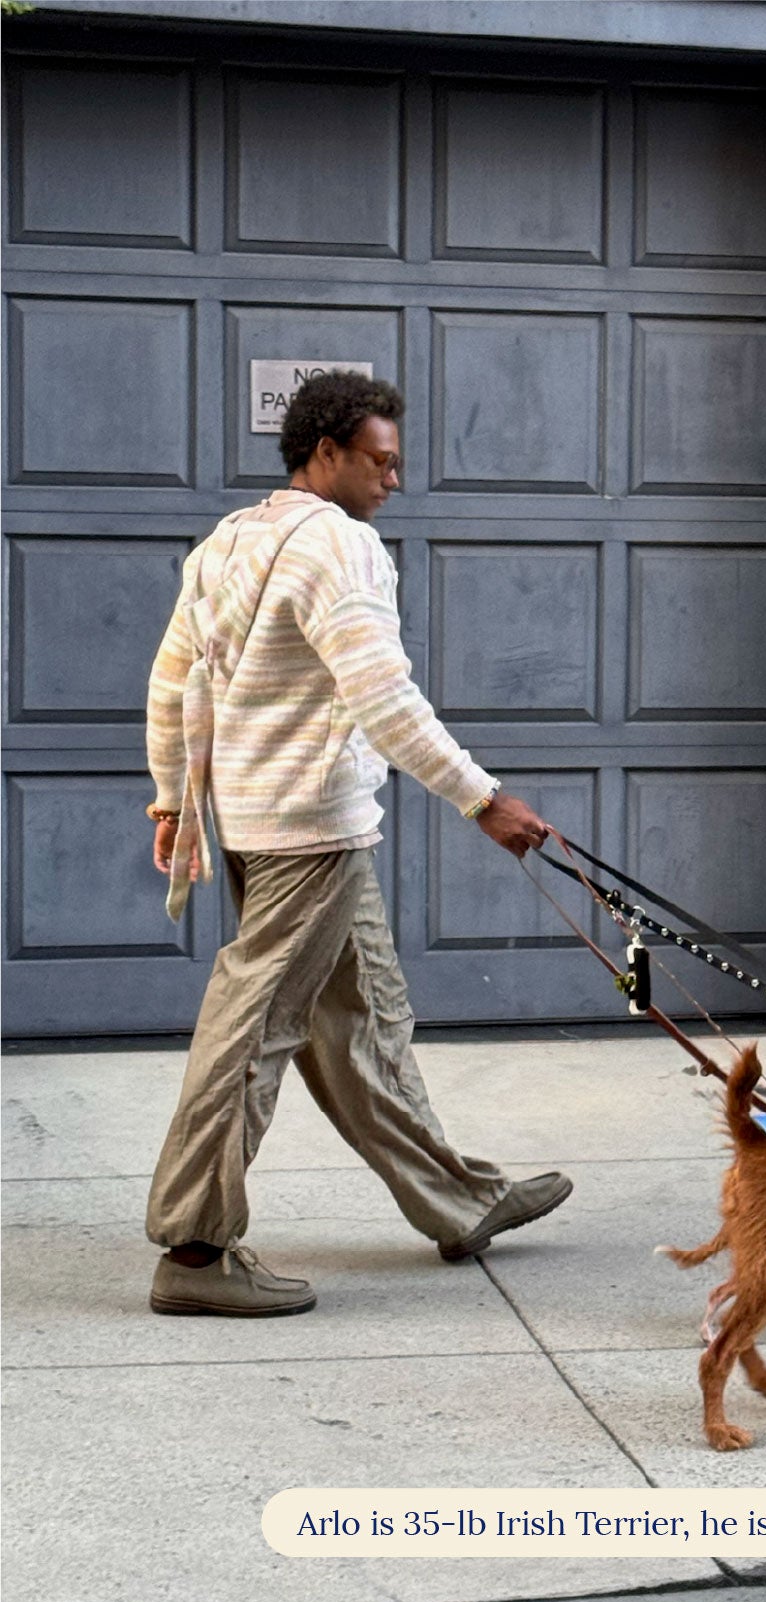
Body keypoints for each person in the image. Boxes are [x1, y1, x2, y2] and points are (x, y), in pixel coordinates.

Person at [143, 370, 571, 1317]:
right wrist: (482, 799)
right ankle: (197, 1249)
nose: (392, 480)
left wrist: (174, 794)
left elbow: (173, 681)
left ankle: (458, 1201)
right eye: (379, 461)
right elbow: (383, 697)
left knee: (360, 1019)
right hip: (309, 832)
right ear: (325, 453)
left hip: (260, 825)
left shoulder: (228, 541)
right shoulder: (341, 547)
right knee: (254, 1030)